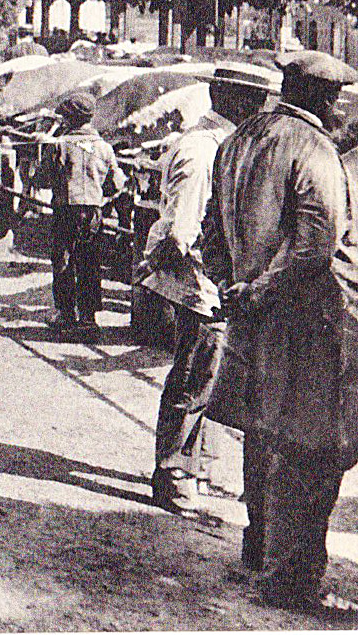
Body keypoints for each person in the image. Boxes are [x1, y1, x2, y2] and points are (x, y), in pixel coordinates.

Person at [202, 51, 358, 612]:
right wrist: (262, 289)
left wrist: (234, 286)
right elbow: (317, 244)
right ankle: (291, 580)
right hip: (306, 317)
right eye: (337, 99)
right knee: (312, 447)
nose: (341, 111)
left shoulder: (236, 141)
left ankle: (260, 549)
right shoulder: (313, 149)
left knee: (262, 430)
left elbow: (211, 232)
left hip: (253, 315)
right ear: (322, 97)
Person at [143, 64, 275, 515]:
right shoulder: (204, 149)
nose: (260, 111)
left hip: (213, 281)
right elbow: (182, 228)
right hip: (203, 284)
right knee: (195, 376)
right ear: (234, 101)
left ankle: (189, 467)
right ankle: (172, 473)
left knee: (208, 375)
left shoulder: (223, 144)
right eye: (256, 103)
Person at [39, 90, 125, 342]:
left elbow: (43, 179)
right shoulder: (105, 148)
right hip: (93, 213)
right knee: (89, 262)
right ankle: (88, 318)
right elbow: (116, 184)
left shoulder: (59, 145)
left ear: (70, 119)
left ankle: (66, 315)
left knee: (63, 261)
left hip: (66, 210)